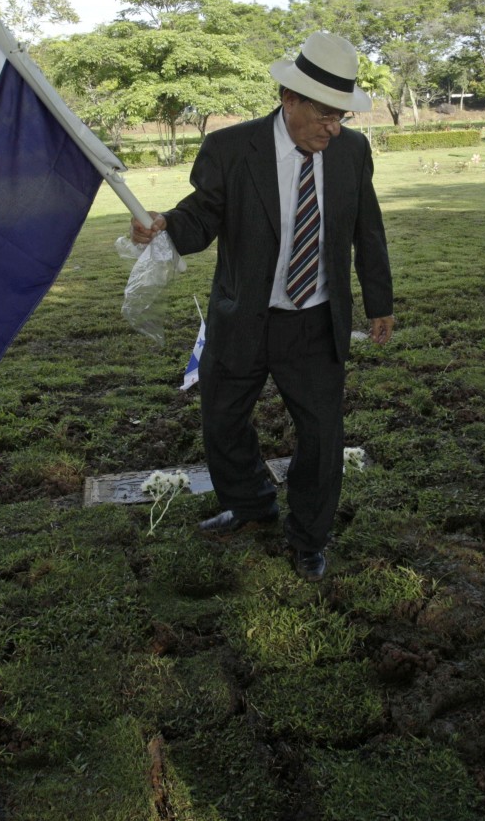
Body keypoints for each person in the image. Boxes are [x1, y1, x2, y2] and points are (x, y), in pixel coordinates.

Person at [129, 32, 394, 581]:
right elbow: (202, 217)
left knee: (321, 436)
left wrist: (378, 302)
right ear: (289, 98)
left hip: (316, 321)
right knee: (222, 422)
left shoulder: (352, 152)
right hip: (244, 315)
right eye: (325, 114)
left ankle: (308, 536)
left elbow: (368, 230)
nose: (334, 127)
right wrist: (164, 227)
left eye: (342, 115)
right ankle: (250, 505)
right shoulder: (231, 150)